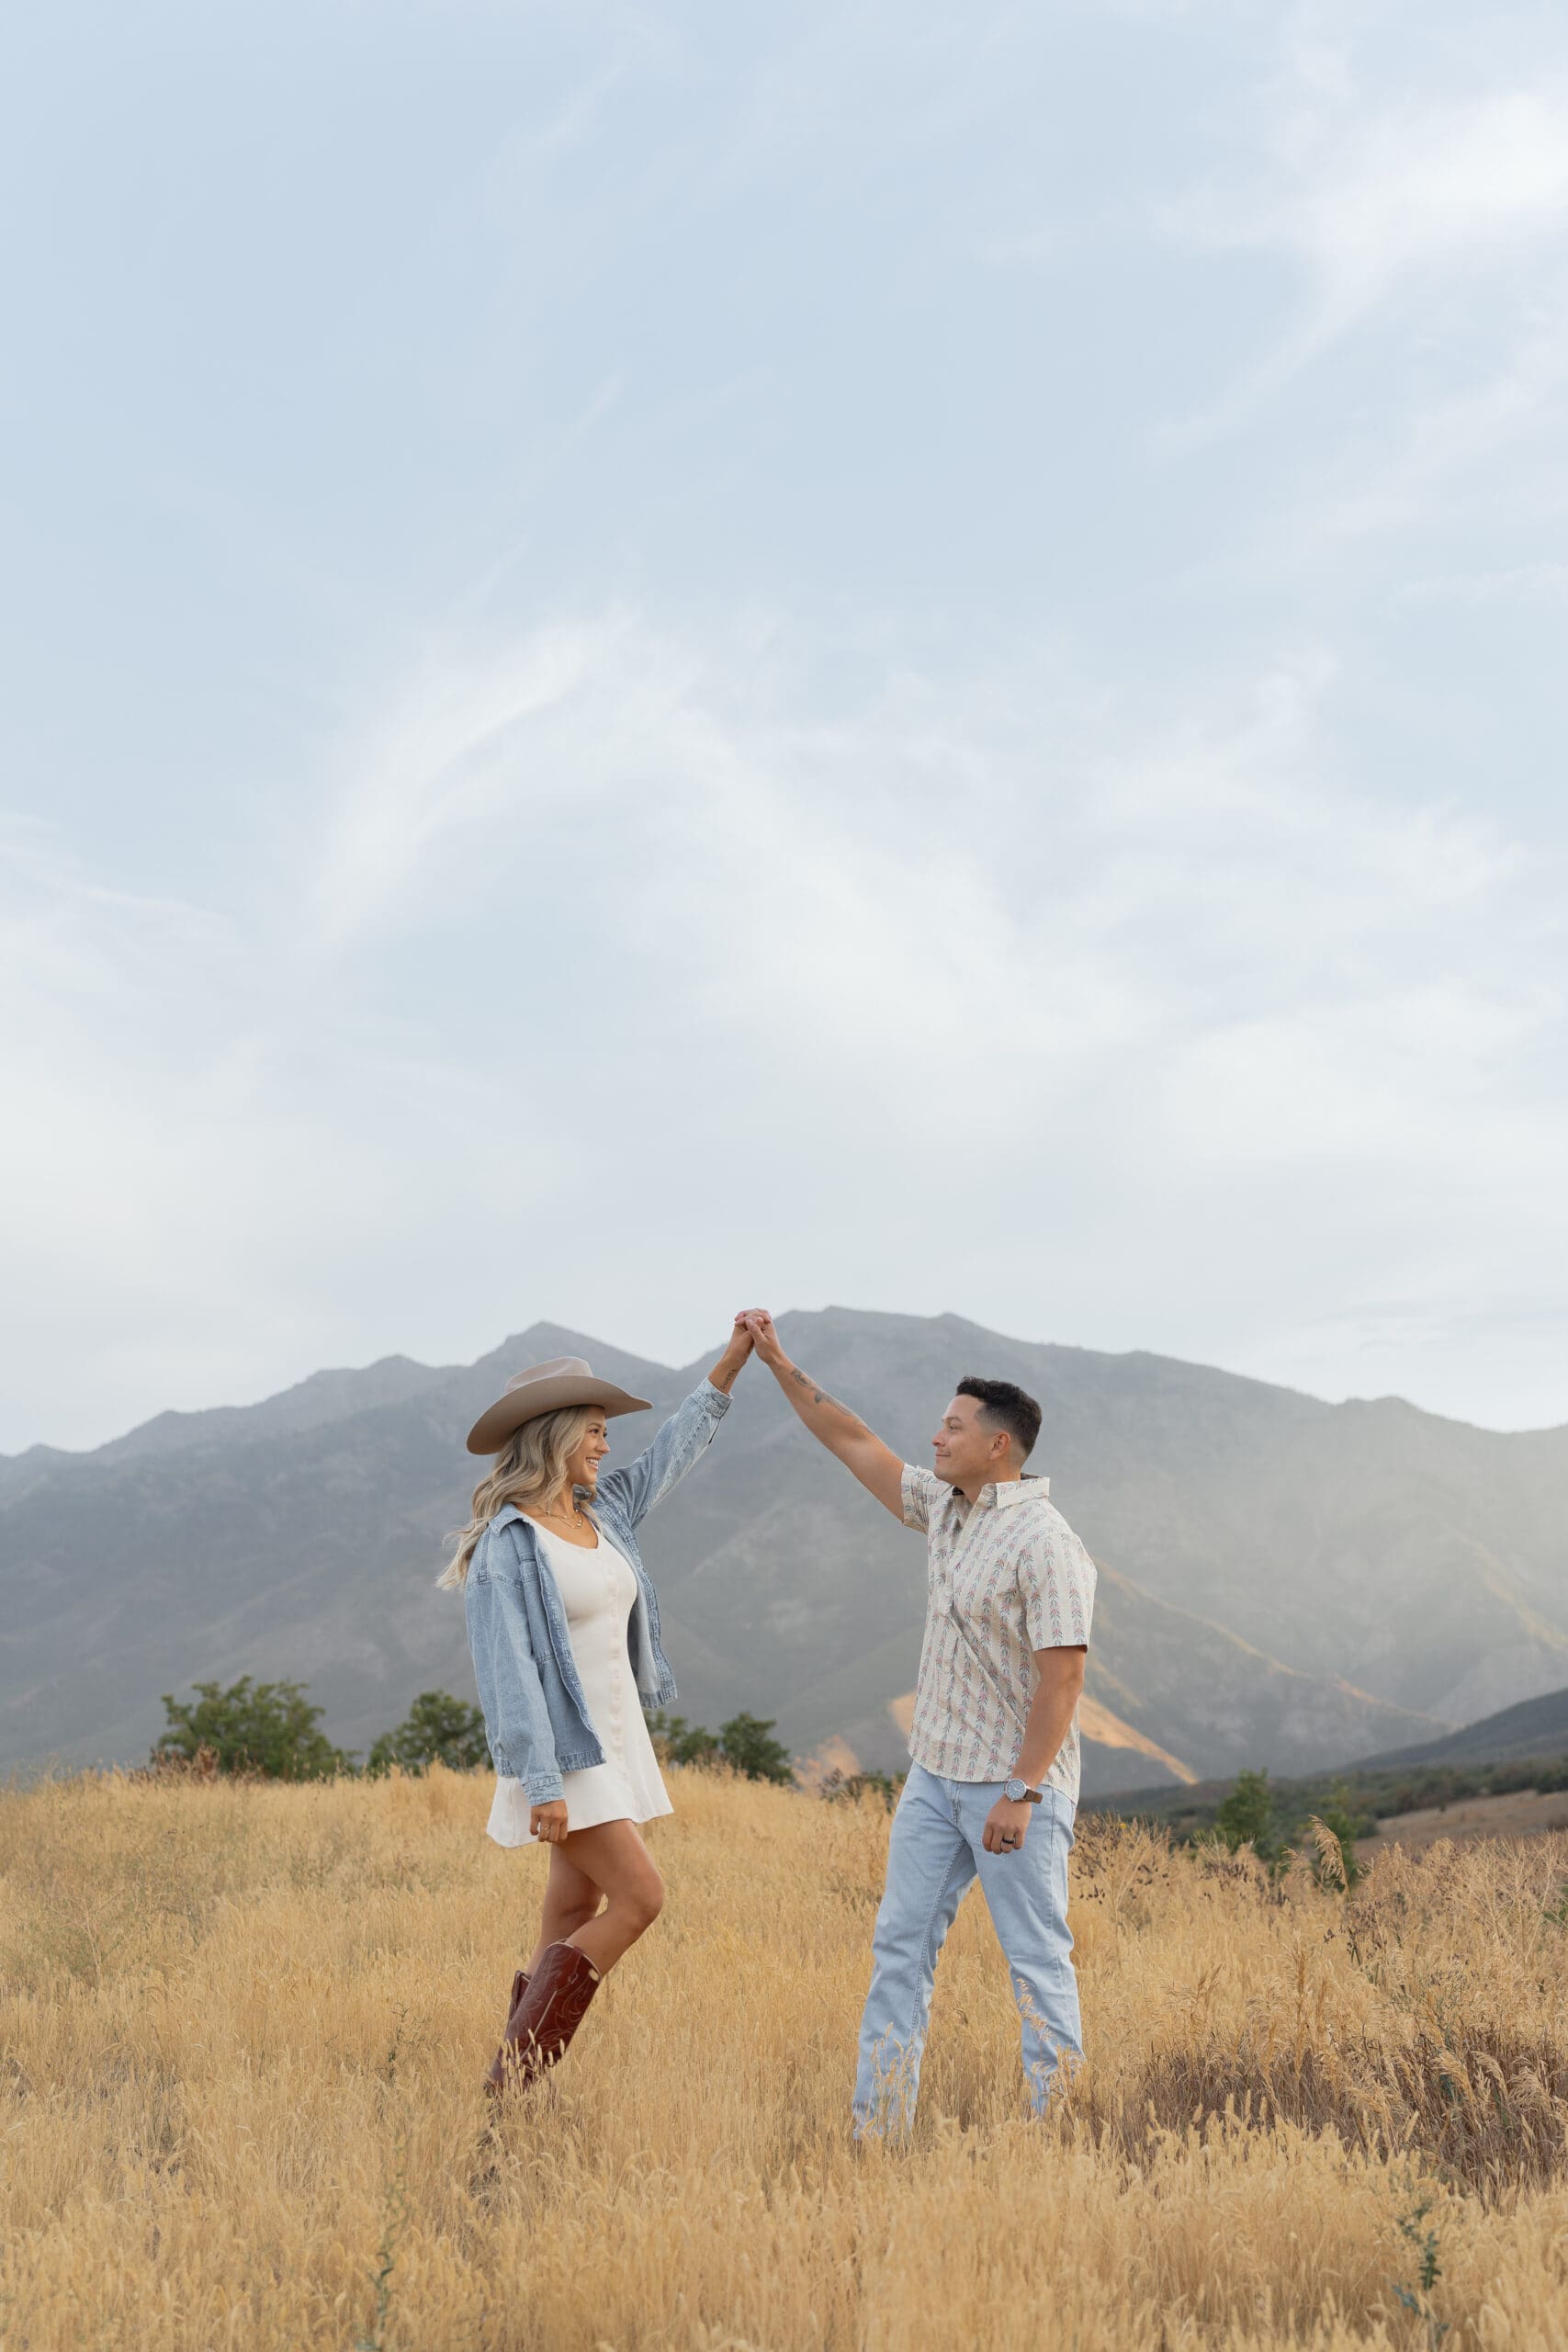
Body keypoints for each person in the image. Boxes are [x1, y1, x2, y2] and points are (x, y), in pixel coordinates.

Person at [741, 1310, 1093, 2135]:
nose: (935, 1437)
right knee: (899, 1952)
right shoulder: (945, 1508)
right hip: (934, 1780)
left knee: (1037, 1966)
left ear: (997, 1445)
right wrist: (775, 1361)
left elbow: (1064, 1680)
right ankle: (878, 2135)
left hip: (1014, 1793)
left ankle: (1059, 2134)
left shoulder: (1047, 1544)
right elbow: (852, 1440)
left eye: (951, 1426)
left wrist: (1022, 1792)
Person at [441, 1319, 756, 2096]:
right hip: (562, 1756)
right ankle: (512, 2080)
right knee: (641, 1896)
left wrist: (730, 1365)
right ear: (553, 1437)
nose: (606, 1447)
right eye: (593, 1432)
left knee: (572, 1904)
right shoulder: (507, 1546)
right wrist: (539, 1781)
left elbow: (672, 1454)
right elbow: (505, 1671)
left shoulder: (602, 1512)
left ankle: (509, 2097)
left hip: (615, 1743)